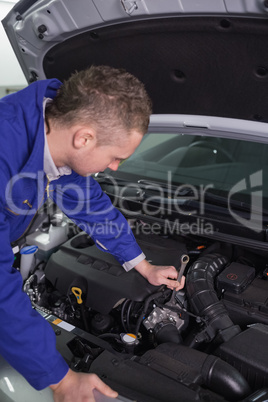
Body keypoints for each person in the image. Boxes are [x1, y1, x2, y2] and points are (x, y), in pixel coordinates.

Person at [0, 65, 185, 402]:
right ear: (83, 137)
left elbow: (91, 205)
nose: (116, 167)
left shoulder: (48, 131)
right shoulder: (4, 154)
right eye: (116, 157)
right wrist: (60, 378)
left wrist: (143, 265)